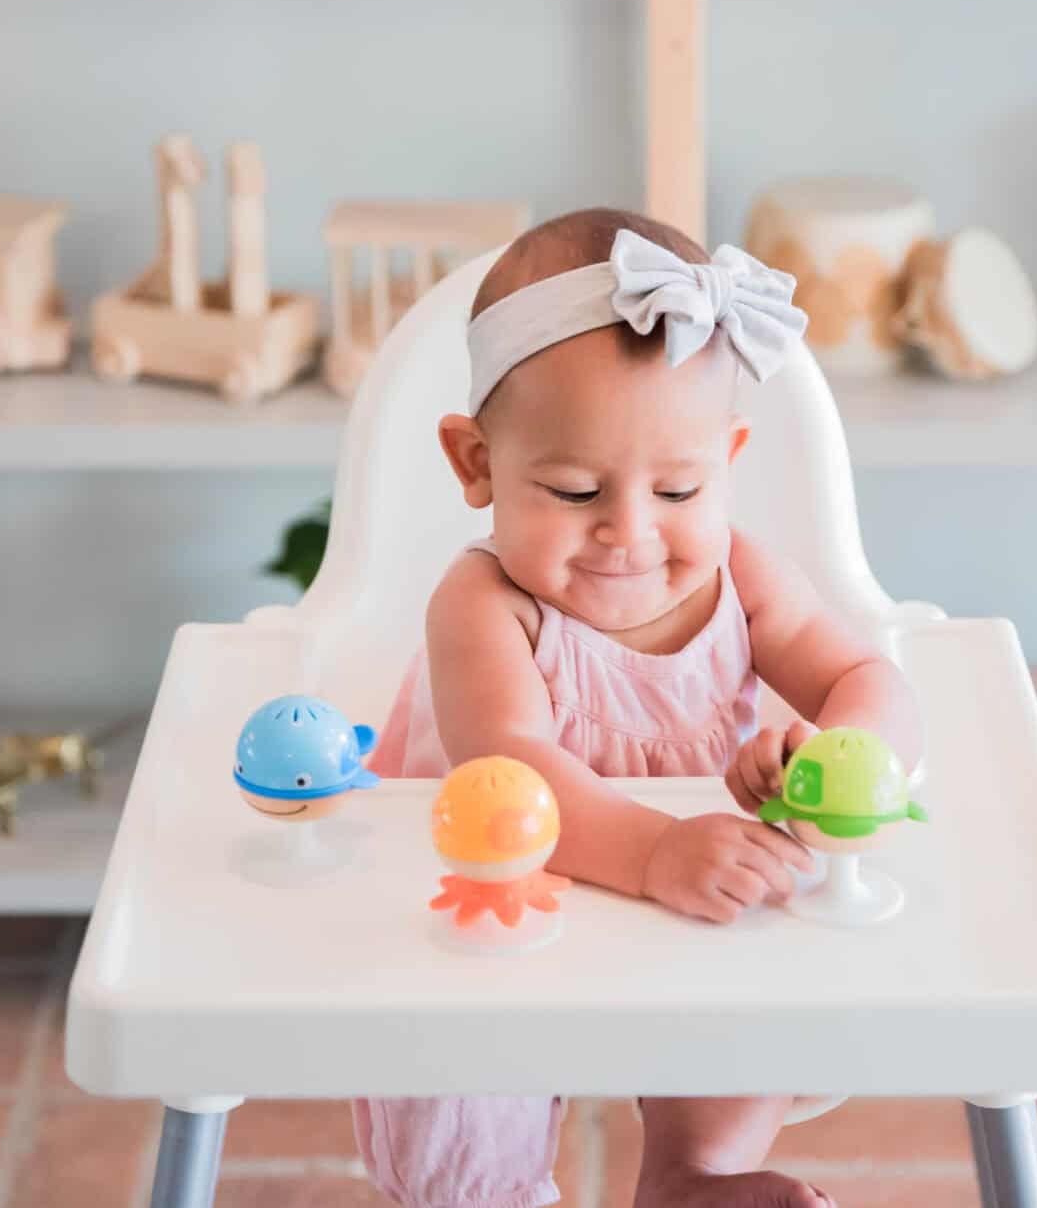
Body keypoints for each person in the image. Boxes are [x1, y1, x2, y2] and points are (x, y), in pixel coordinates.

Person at [356, 208, 923, 1208]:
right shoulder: (485, 604)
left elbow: (871, 682)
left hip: (681, 897)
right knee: (459, 1057)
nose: (629, 531)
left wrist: (829, 762)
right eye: (575, 491)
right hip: (502, 896)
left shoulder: (742, 577)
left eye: (678, 489)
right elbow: (516, 764)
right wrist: (656, 851)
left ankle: (691, 1173)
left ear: (727, 460)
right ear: (477, 463)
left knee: (746, 978)